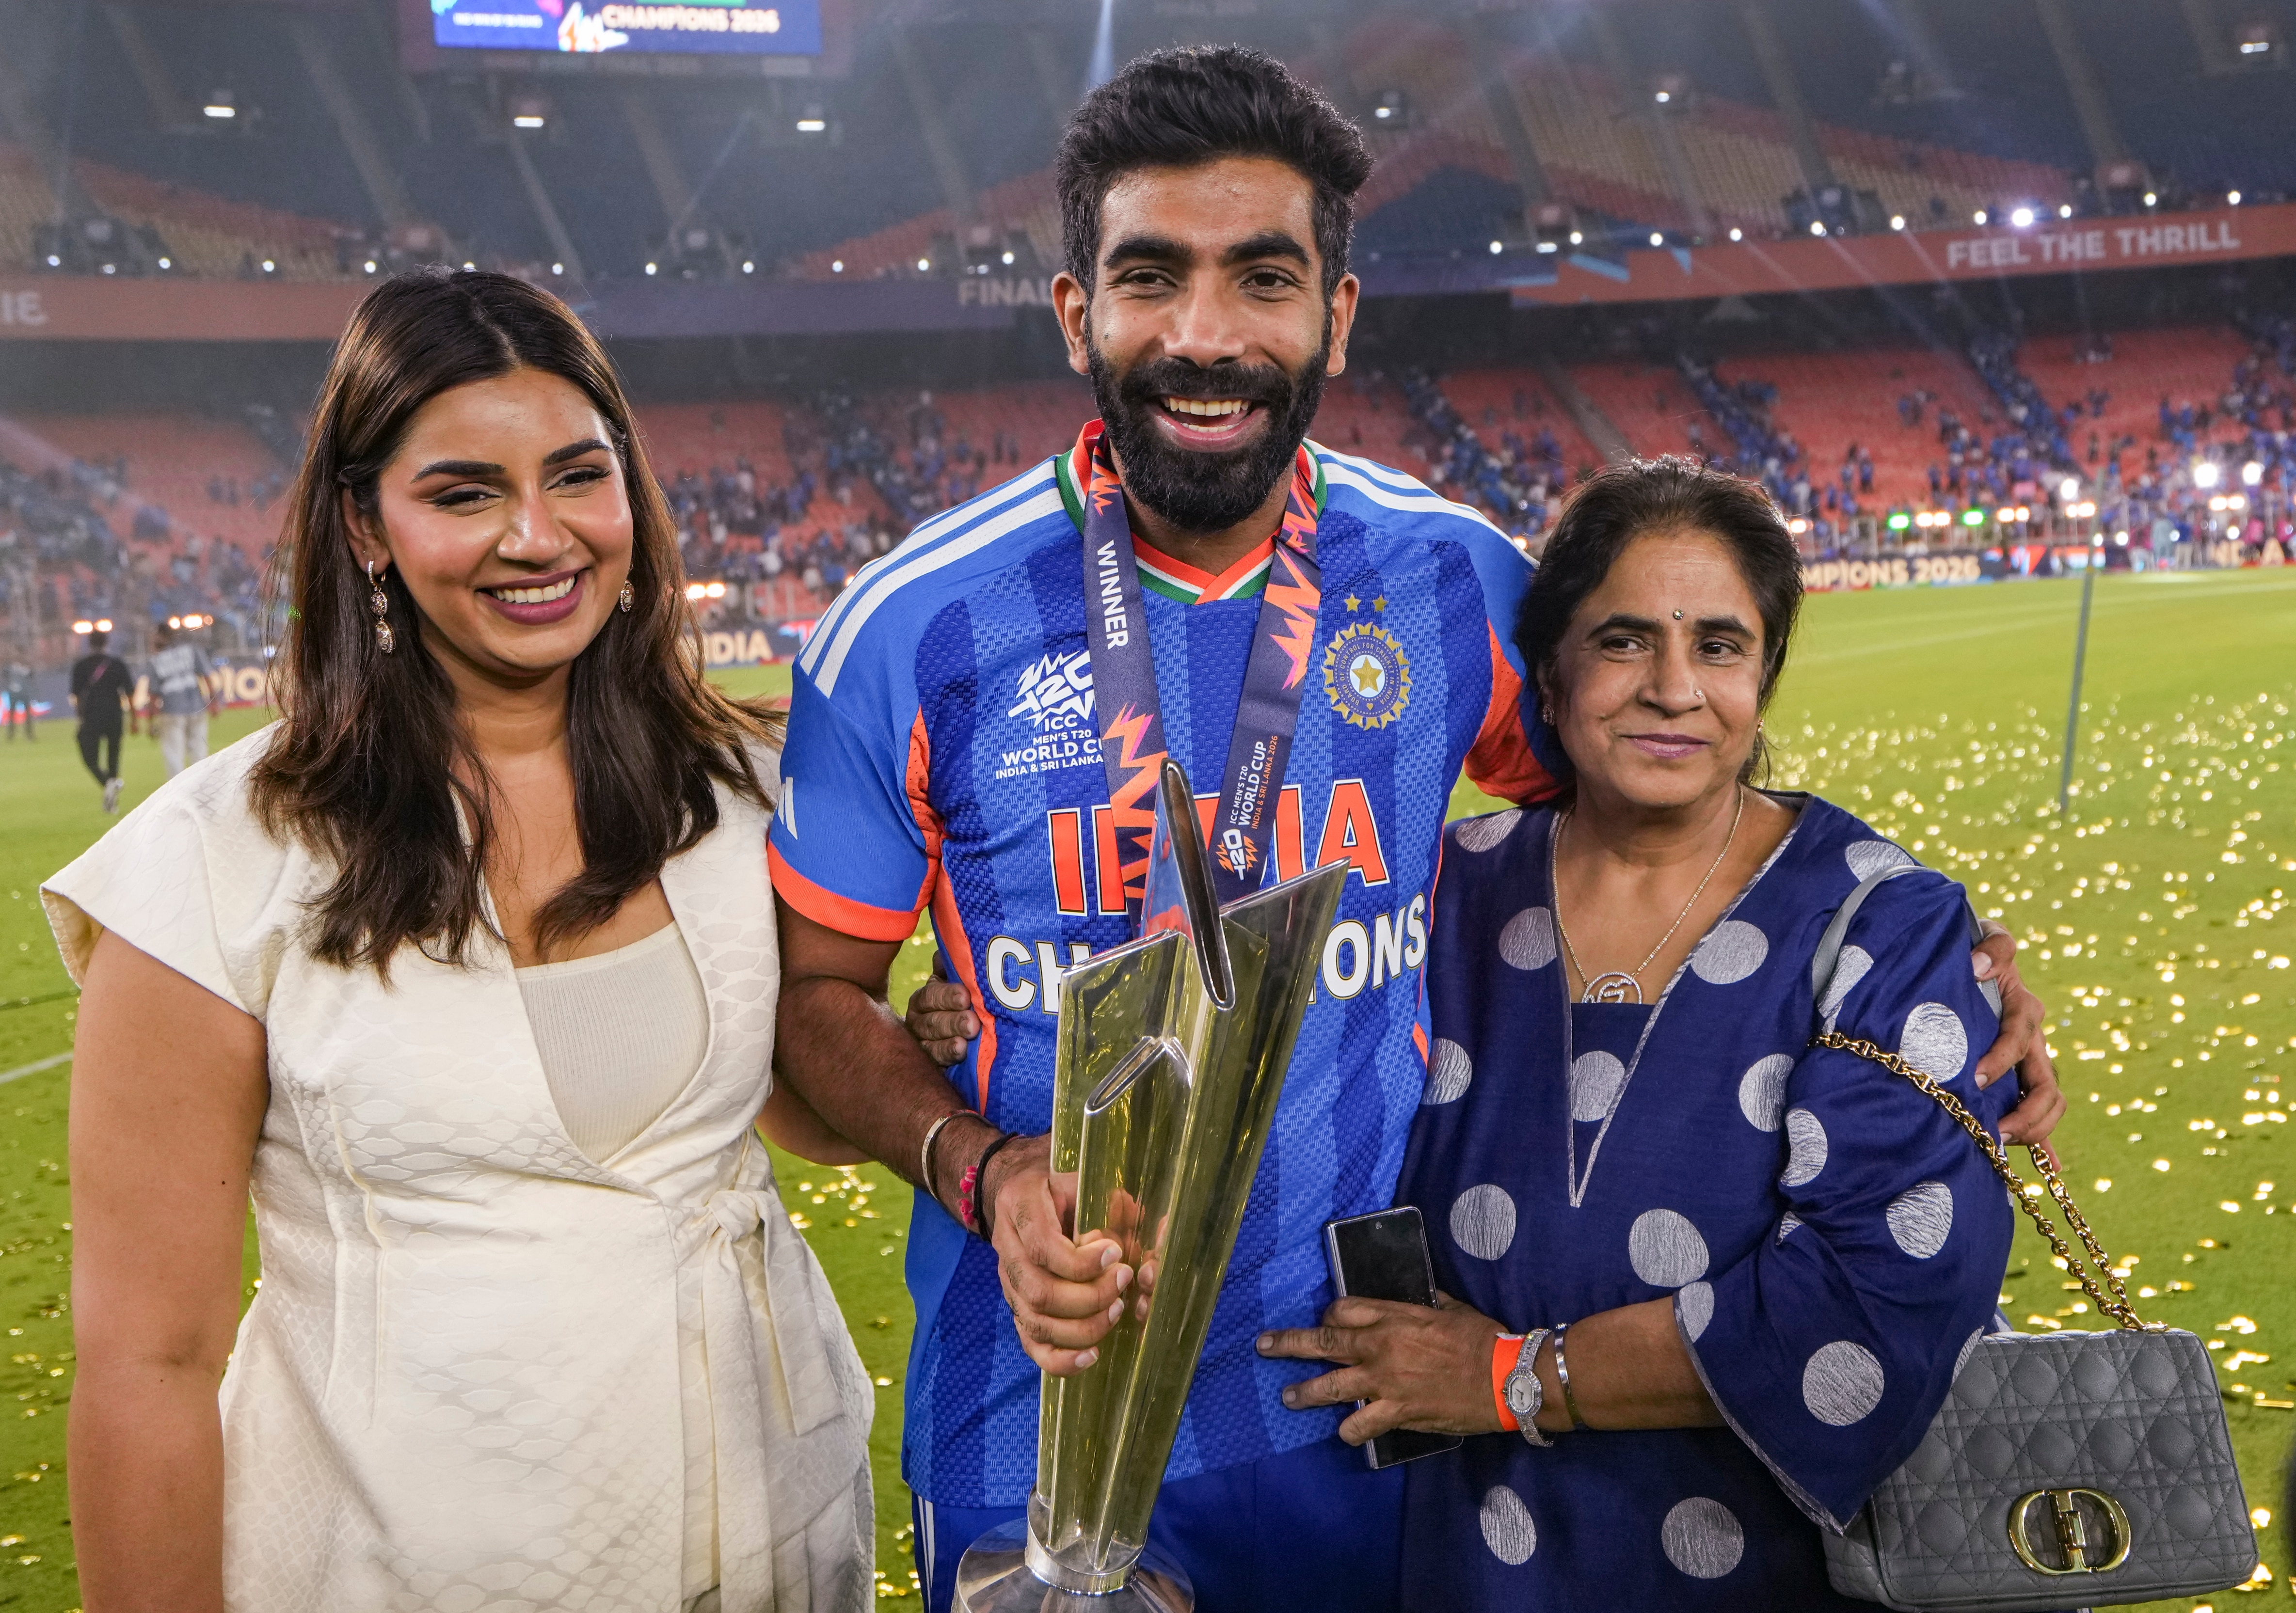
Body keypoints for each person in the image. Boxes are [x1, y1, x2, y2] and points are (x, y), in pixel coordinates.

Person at [786, 48, 2057, 1613]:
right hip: (1031, 1405)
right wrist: (982, 1163)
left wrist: (1912, 990)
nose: (1203, 335)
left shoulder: (1450, 577)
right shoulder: (913, 624)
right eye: (1148, 278)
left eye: (1263, 277)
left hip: (1375, 1408)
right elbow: (815, 994)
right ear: (1076, 311)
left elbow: (1651, 807)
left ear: (1337, 312)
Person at [43, 268, 874, 1613]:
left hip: (775, 1527)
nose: (538, 537)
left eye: (577, 476)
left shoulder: (748, 792)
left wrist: (925, 1032)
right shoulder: (213, 861)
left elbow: (806, 1117)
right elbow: (148, 1363)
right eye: (464, 493)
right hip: (396, 1568)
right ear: (368, 525)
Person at [1255, 459, 2051, 1608]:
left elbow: (1878, 1295)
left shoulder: (1883, 923)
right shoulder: (1435, 899)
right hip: (1473, 1565)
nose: (1672, 687)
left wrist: (1510, 1376)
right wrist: (972, 1020)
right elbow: (1268, 1064)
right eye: (1623, 639)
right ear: (1551, 668)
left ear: (1762, 674)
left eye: (1718, 646)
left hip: (1774, 1575)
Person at [70, 629, 134, 810]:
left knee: (90, 757)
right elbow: (129, 692)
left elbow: (76, 695)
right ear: (106, 643)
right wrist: (135, 718)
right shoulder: (117, 664)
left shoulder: (81, 666)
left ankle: (107, 784)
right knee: (113, 757)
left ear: (90, 643)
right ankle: (111, 790)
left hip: (92, 716)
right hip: (115, 714)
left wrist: (80, 717)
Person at [147, 622, 218, 778]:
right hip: (197, 707)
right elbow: (207, 677)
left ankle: (177, 792)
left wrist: (151, 722)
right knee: (199, 752)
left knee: (174, 755)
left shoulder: (156, 660)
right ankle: (201, 787)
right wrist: (214, 702)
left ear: (161, 636)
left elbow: (154, 695)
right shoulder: (191, 650)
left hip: (172, 711)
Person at [1, 656, 34, 741]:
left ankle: (29, 734)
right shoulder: (10, 667)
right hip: (14, 694)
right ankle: (11, 735)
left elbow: (32, 677)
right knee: (12, 714)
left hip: (24, 693)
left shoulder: (26, 668)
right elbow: (4, 676)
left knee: (27, 714)